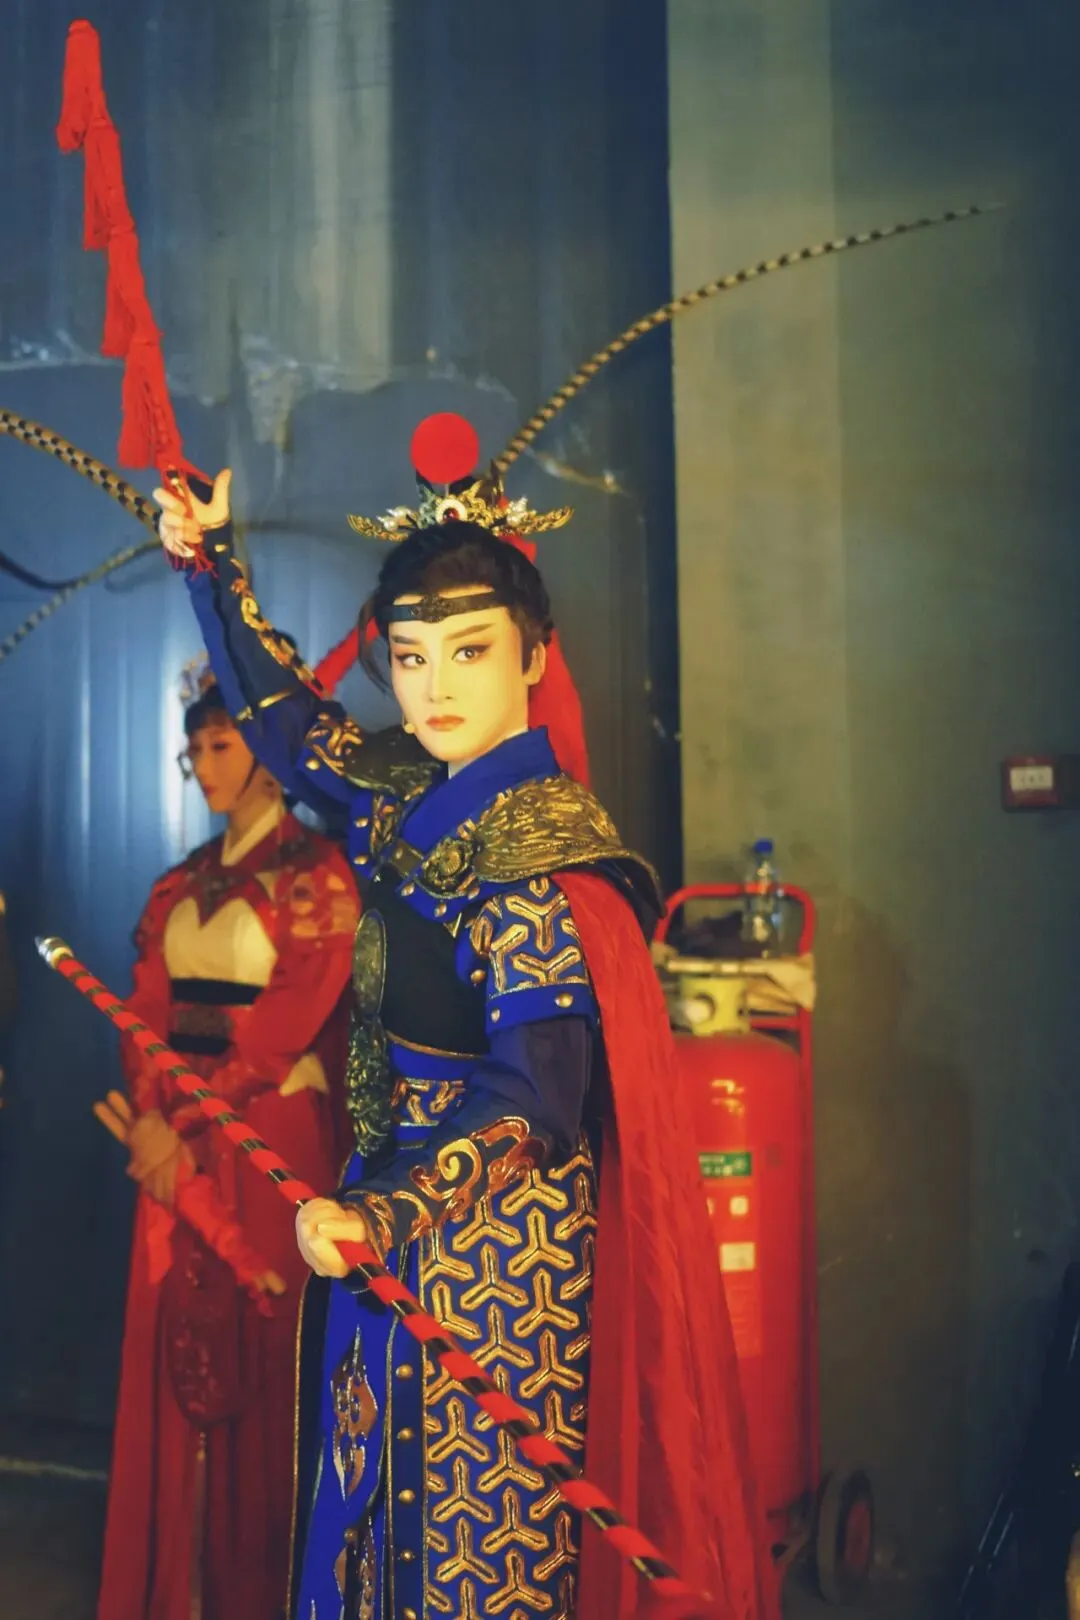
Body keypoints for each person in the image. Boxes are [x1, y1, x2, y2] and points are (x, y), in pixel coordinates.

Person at [155, 414, 776, 1620]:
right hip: (383, 1226)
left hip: (499, 1270)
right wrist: (210, 563)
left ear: (533, 658)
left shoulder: (542, 855)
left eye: (471, 652)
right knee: (369, 1544)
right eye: (410, 656)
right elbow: (290, 725)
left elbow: (536, 1099)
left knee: (471, 1567)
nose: (435, 687)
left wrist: (387, 1212)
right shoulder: (401, 790)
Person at [97, 666, 359, 1620]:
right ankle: (180, 1591)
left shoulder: (317, 877)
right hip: (176, 1141)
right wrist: (152, 1117)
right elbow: (143, 1007)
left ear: (267, 753)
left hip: (266, 1139)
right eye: (194, 749)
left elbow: (286, 1025)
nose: (203, 765)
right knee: (177, 1343)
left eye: (221, 745)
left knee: (271, 1349)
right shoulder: (180, 881)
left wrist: (180, 1126)